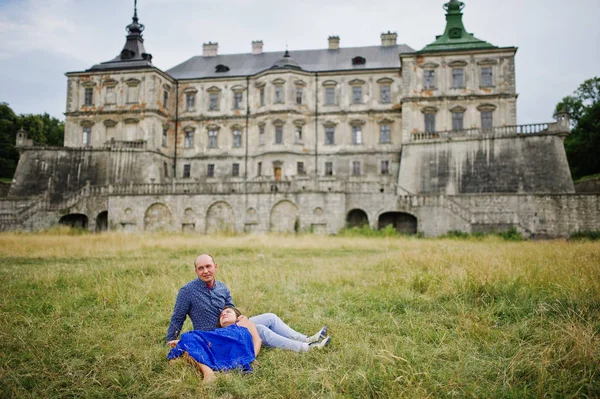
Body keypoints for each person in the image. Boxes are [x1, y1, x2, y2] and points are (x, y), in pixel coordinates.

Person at [166, 254, 331, 352]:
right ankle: (306, 349)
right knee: (259, 329)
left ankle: (306, 339)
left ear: (215, 267)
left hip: (230, 325)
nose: (205, 271)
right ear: (196, 271)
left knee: (270, 317)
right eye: (200, 268)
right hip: (213, 336)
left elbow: (230, 306)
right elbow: (177, 318)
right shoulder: (187, 291)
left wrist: (239, 317)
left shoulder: (222, 287)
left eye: (208, 266)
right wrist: (170, 340)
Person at [167, 306, 262, 382]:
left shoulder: (243, 325)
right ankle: (210, 373)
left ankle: (208, 372)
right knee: (182, 350)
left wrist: (251, 357)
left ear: (237, 318)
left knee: (188, 340)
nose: (224, 314)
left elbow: (257, 340)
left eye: (228, 312)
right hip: (218, 349)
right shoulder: (217, 332)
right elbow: (207, 340)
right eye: (221, 315)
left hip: (232, 350)